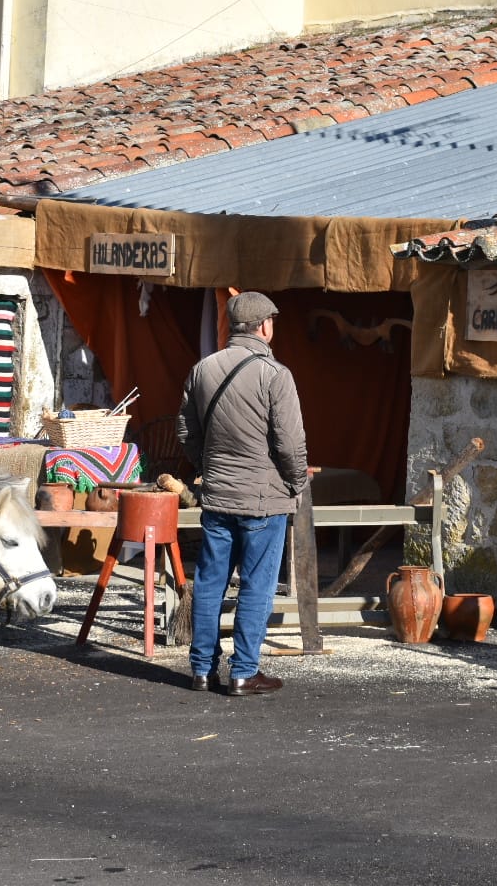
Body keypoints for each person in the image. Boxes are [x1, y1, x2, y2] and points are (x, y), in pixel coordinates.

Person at [178, 291, 308, 696]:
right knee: (256, 584)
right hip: (262, 500)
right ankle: (243, 672)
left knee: (210, 581)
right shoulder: (275, 374)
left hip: (217, 498)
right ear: (265, 326)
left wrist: (208, 469)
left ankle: (202, 669)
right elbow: (290, 444)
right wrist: (297, 481)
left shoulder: (202, 369)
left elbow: (185, 432)